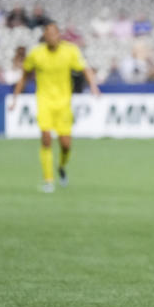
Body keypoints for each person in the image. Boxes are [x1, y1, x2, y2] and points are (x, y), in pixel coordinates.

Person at [9, 22, 101, 192]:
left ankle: (61, 167)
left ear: (59, 34)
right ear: (45, 36)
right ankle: (48, 179)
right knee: (46, 138)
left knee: (66, 145)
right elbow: (24, 76)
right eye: (48, 33)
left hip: (64, 104)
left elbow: (85, 69)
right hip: (44, 102)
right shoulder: (36, 54)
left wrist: (93, 86)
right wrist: (15, 98)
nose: (51, 36)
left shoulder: (70, 51)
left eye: (54, 33)